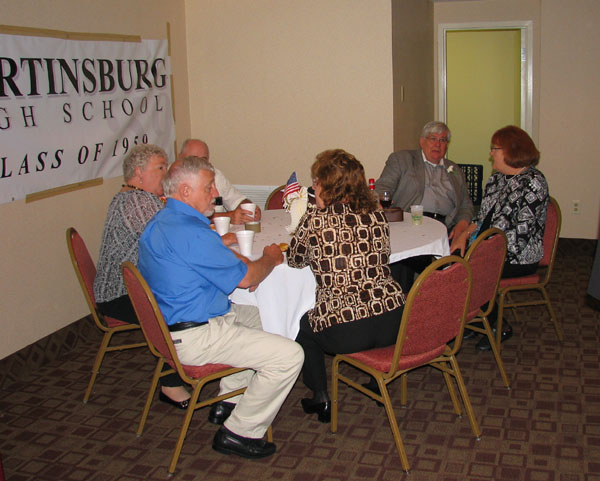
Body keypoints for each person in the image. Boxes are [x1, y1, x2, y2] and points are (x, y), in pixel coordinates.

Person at [137, 156, 303, 459]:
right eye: (208, 187)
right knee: (290, 356)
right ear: (185, 191)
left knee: (265, 316)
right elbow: (247, 278)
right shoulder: (192, 234)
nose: (215, 194)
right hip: (197, 336)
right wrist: (270, 259)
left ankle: (228, 400)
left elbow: (206, 258)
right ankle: (239, 432)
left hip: (171, 327)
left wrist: (235, 260)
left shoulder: (162, 223)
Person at [288, 149, 406, 423]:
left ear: (327, 185)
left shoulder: (316, 220)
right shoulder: (377, 215)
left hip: (348, 330)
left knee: (302, 325)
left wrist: (315, 211)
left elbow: (294, 260)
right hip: (394, 319)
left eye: (316, 182)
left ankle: (320, 396)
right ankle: (376, 381)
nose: (313, 187)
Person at [93, 144, 191, 408]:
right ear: (138, 173)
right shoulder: (136, 201)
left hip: (133, 288)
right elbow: (169, 244)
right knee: (184, 306)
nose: (167, 173)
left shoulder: (138, 198)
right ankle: (171, 383)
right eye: (160, 168)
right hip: (121, 295)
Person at [450, 125, 549, 351]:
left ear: (511, 151)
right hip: (486, 245)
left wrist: (481, 251)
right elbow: (482, 217)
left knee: (471, 270)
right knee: (449, 260)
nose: (491, 153)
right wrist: (464, 235)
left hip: (518, 255)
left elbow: (520, 235)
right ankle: (472, 318)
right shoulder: (497, 179)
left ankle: (497, 324)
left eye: (494, 148)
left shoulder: (533, 182)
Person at [375, 121, 474, 291]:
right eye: (433, 138)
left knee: (462, 260)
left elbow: (466, 203)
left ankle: (446, 301)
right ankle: (402, 301)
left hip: (445, 226)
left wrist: (462, 225)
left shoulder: (454, 169)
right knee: (403, 260)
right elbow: (382, 188)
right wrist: (379, 202)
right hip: (411, 224)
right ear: (422, 141)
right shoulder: (403, 160)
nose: (438, 144)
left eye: (443, 140)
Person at [178, 138, 261, 224]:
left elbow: (236, 199)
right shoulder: (174, 180)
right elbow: (186, 218)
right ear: (180, 158)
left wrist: (251, 210)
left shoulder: (215, 174)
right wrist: (229, 217)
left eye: (203, 159)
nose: (199, 164)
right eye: (193, 159)